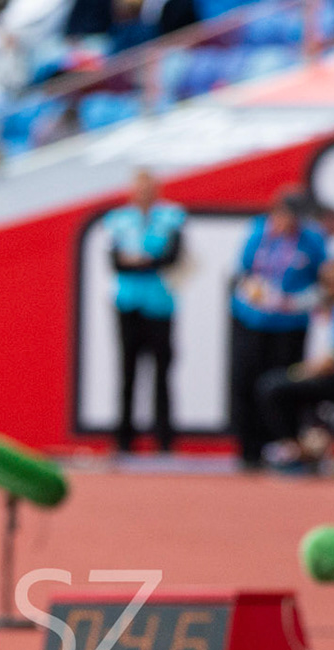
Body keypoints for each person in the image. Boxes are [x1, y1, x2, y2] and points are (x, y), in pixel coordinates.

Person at [229, 189, 329, 468]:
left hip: (289, 325)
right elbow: (243, 272)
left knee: (280, 384)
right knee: (246, 381)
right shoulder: (258, 233)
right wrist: (255, 294)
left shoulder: (312, 239)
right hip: (252, 320)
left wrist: (293, 302)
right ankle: (249, 449)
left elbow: (324, 282)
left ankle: (283, 445)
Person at [102, 168, 185, 454]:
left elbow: (172, 256)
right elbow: (115, 261)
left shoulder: (172, 216)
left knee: (162, 372)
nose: (144, 193)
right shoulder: (119, 220)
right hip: (128, 302)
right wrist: (148, 261)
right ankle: (124, 439)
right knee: (128, 370)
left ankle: (164, 440)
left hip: (160, 303)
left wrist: (139, 260)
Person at [258, 259, 334, 470]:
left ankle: (295, 449)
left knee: (274, 387)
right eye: (325, 281)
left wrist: (302, 372)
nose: (329, 286)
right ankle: (298, 446)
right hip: (328, 376)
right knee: (276, 385)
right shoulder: (327, 308)